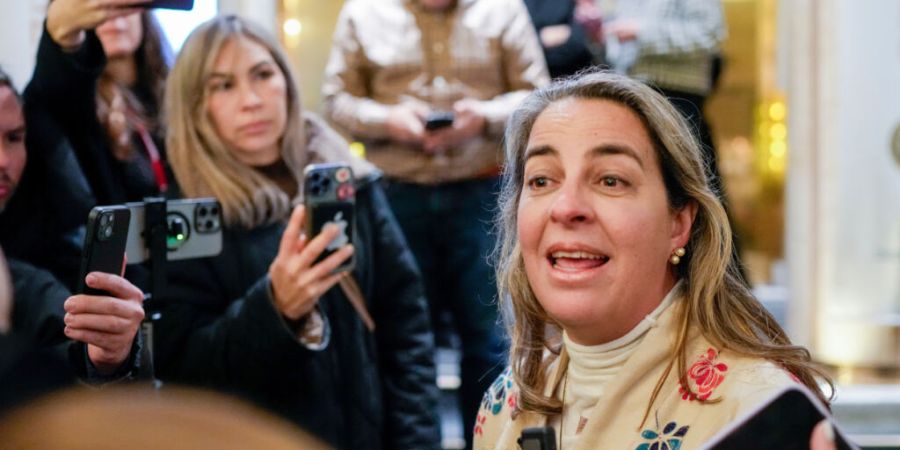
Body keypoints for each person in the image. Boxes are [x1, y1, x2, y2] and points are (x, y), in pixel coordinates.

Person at [473, 71, 839, 449]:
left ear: (678, 225)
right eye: (542, 180)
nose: (566, 208)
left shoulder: (755, 412)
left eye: (611, 180)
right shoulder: (505, 405)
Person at [154, 15, 440, 450]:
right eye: (222, 85)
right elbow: (188, 373)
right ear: (194, 105)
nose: (251, 100)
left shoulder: (347, 180)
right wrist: (275, 309)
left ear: (286, 81)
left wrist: (416, 442)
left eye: (263, 74)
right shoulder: (187, 215)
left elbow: (406, 329)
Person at [322, 1, 549, 445]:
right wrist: (389, 120)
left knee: (491, 342)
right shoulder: (362, 13)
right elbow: (335, 102)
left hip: (485, 195)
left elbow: (537, 95)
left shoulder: (502, 10)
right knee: (403, 341)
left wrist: (480, 118)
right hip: (395, 198)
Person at [0, 69, 145, 410]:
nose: (3, 161)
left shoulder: (24, 275)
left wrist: (106, 354)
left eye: (15, 138)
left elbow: (68, 348)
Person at [0, 0, 171, 289]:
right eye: (100, 5)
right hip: (116, 284)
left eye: (125, 5)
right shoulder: (68, 108)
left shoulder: (173, 100)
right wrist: (61, 34)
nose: (114, 14)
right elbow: (56, 88)